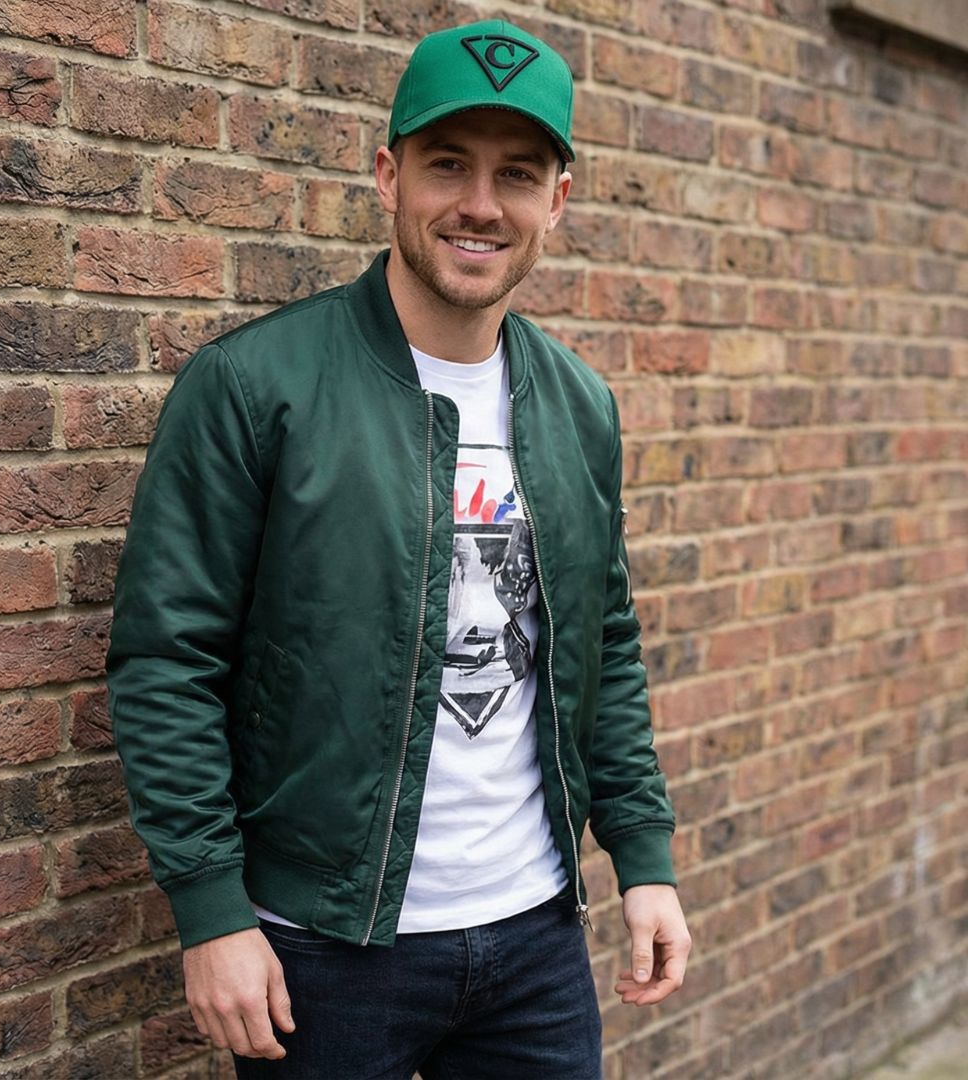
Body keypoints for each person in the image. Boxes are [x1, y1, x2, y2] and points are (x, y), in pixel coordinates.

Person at [107, 18, 690, 1079]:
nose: (482, 204)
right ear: (389, 175)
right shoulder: (256, 386)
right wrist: (211, 909)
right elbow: (167, 660)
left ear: (557, 200)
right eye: (448, 164)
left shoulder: (580, 406)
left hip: (536, 936)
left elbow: (603, 642)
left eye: (518, 174)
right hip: (322, 946)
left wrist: (642, 856)